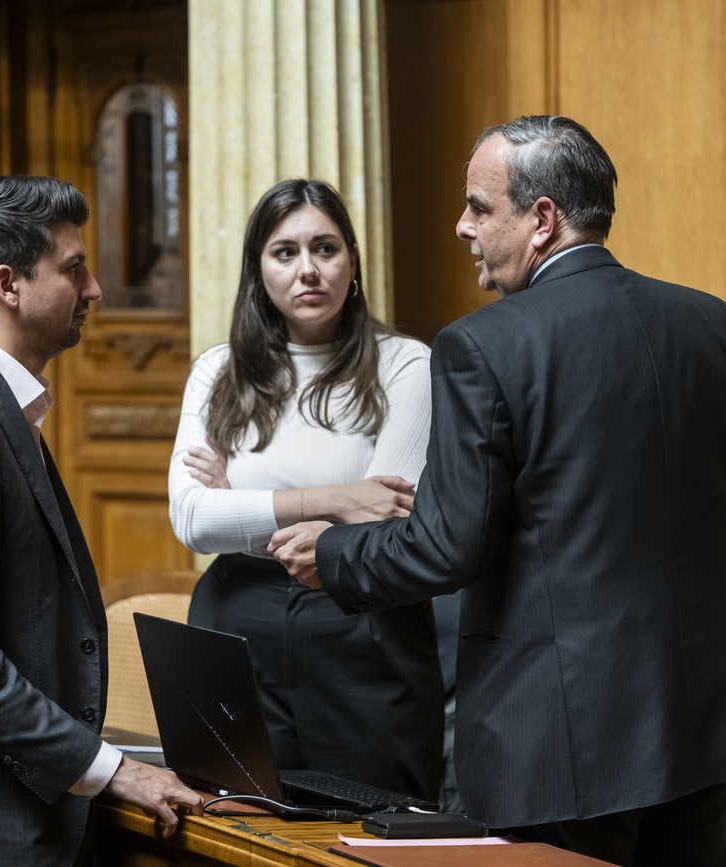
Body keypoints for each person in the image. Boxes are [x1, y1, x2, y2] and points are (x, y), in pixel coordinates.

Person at [270, 116, 726, 866]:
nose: (462, 226)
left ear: (542, 218)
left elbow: (450, 544)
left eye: (480, 207)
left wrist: (337, 552)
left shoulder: (483, 344)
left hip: (561, 737)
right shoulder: (712, 324)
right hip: (705, 720)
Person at [0, 175, 201, 866]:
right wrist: (113, 768)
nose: (94, 290)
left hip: (22, 819)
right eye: (74, 267)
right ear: (9, 284)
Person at [168, 178, 443, 801]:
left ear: (352, 260)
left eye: (325, 248)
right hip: (235, 624)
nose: (308, 270)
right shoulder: (217, 371)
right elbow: (191, 518)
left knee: (372, 829)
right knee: (238, 824)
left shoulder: (406, 364)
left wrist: (239, 501)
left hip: (365, 629)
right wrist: (338, 499)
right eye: (284, 252)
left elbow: (392, 518)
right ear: (258, 268)